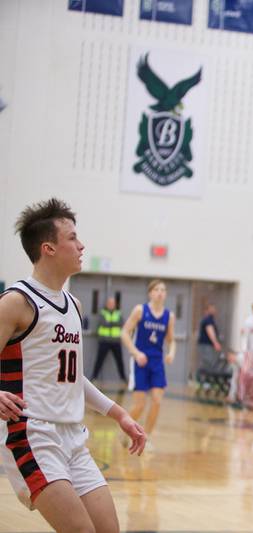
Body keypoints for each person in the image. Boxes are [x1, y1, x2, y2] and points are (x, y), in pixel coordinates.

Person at [0, 198, 145, 531]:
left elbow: (73, 377)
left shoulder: (73, 305)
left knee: (108, 529)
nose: (81, 246)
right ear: (49, 248)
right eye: (73, 238)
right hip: (31, 433)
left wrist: (119, 414)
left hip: (73, 436)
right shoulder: (16, 301)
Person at [120, 279, 176, 445]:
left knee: (157, 401)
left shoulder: (168, 316)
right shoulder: (140, 310)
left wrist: (171, 353)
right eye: (157, 289)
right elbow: (124, 333)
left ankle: (147, 437)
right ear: (150, 293)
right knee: (140, 405)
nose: (160, 292)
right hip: (141, 362)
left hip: (157, 362)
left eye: (163, 290)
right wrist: (136, 353)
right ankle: (126, 431)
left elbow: (171, 340)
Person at [90, 296, 126, 383]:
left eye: (112, 303)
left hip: (116, 341)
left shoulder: (118, 313)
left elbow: (121, 324)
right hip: (104, 341)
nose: (111, 305)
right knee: (99, 360)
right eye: (109, 303)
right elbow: (102, 323)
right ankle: (94, 377)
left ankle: (123, 379)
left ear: (115, 304)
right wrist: (113, 323)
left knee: (120, 361)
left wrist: (109, 323)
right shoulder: (102, 313)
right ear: (107, 304)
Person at [197, 303, 223, 373]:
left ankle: (204, 379)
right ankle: (204, 380)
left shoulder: (209, 319)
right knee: (208, 361)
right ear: (207, 310)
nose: (213, 311)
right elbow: (210, 331)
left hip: (206, 344)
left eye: (214, 309)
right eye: (211, 309)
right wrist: (215, 343)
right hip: (206, 344)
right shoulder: (208, 320)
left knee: (207, 361)